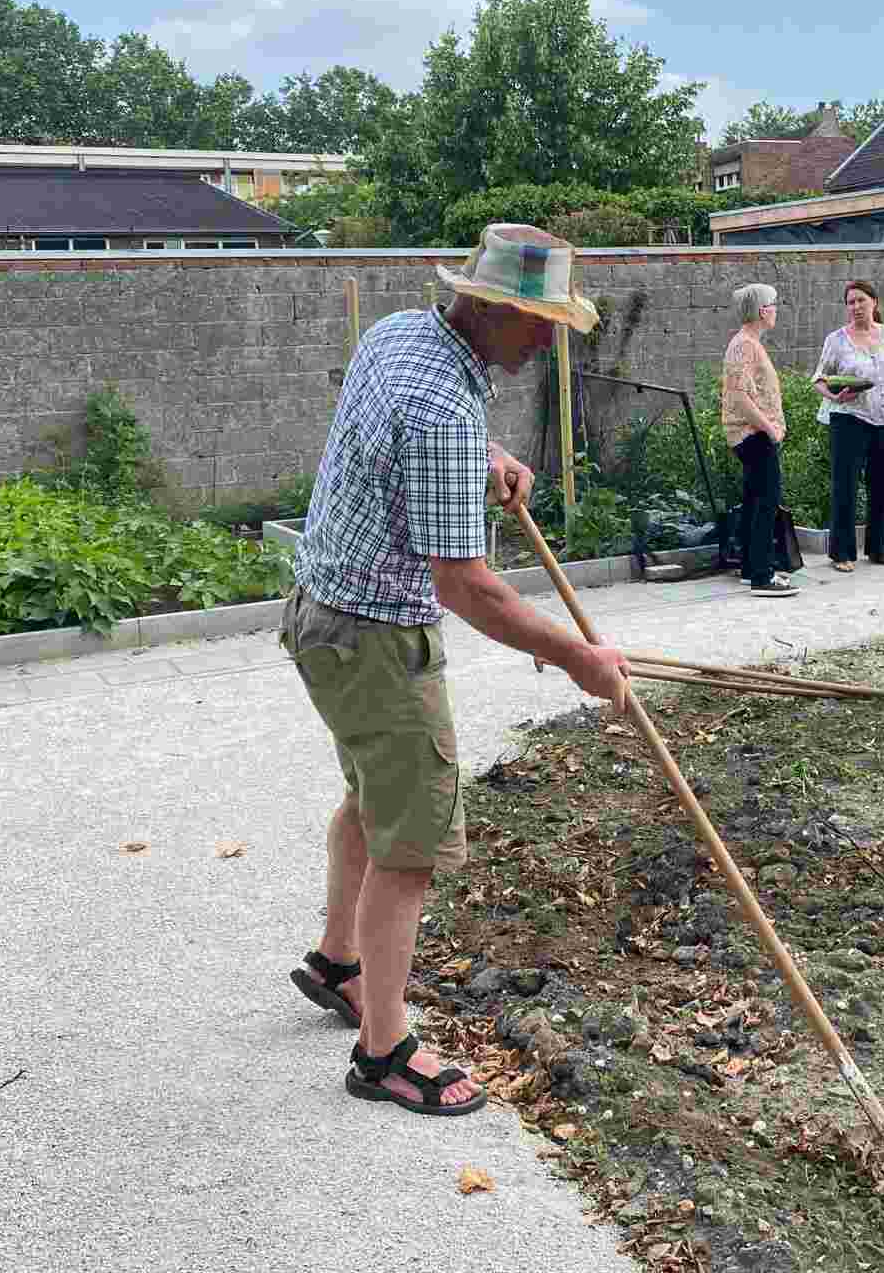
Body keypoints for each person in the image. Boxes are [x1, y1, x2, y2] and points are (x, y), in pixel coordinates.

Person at [282, 222, 631, 1119]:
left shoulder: (400, 334)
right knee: (414, 843)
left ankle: (338, 963)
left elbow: (404, 443)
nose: (548, 338)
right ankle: (385, 1050)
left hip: (321, 618)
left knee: (372, 796)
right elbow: (470, 589)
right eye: (536, 319)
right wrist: (581, 659)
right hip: (377, 639)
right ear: (484, 306)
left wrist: (491, 458)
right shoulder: (445, 408)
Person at [811, 278, 884, 572]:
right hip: (849, 418)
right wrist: (834, 396)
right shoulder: (837, 340)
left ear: (874, 302)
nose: (855, 307)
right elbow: (819, 378)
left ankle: (880, 550)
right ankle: (841, 554)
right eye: (850, 302)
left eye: (860, 300)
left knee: (882, 484)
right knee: (845, 485)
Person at [722, 283, 799, 598]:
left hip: (753, 434)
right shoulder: (744, 345)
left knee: (756, 500)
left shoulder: (750, 343)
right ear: (761, 310)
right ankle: (763, 578)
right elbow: (739, 398)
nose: (776, 309)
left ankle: (752, 567)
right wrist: (769, 428)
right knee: (767, 501)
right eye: (774, 304)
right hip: (752, 434)